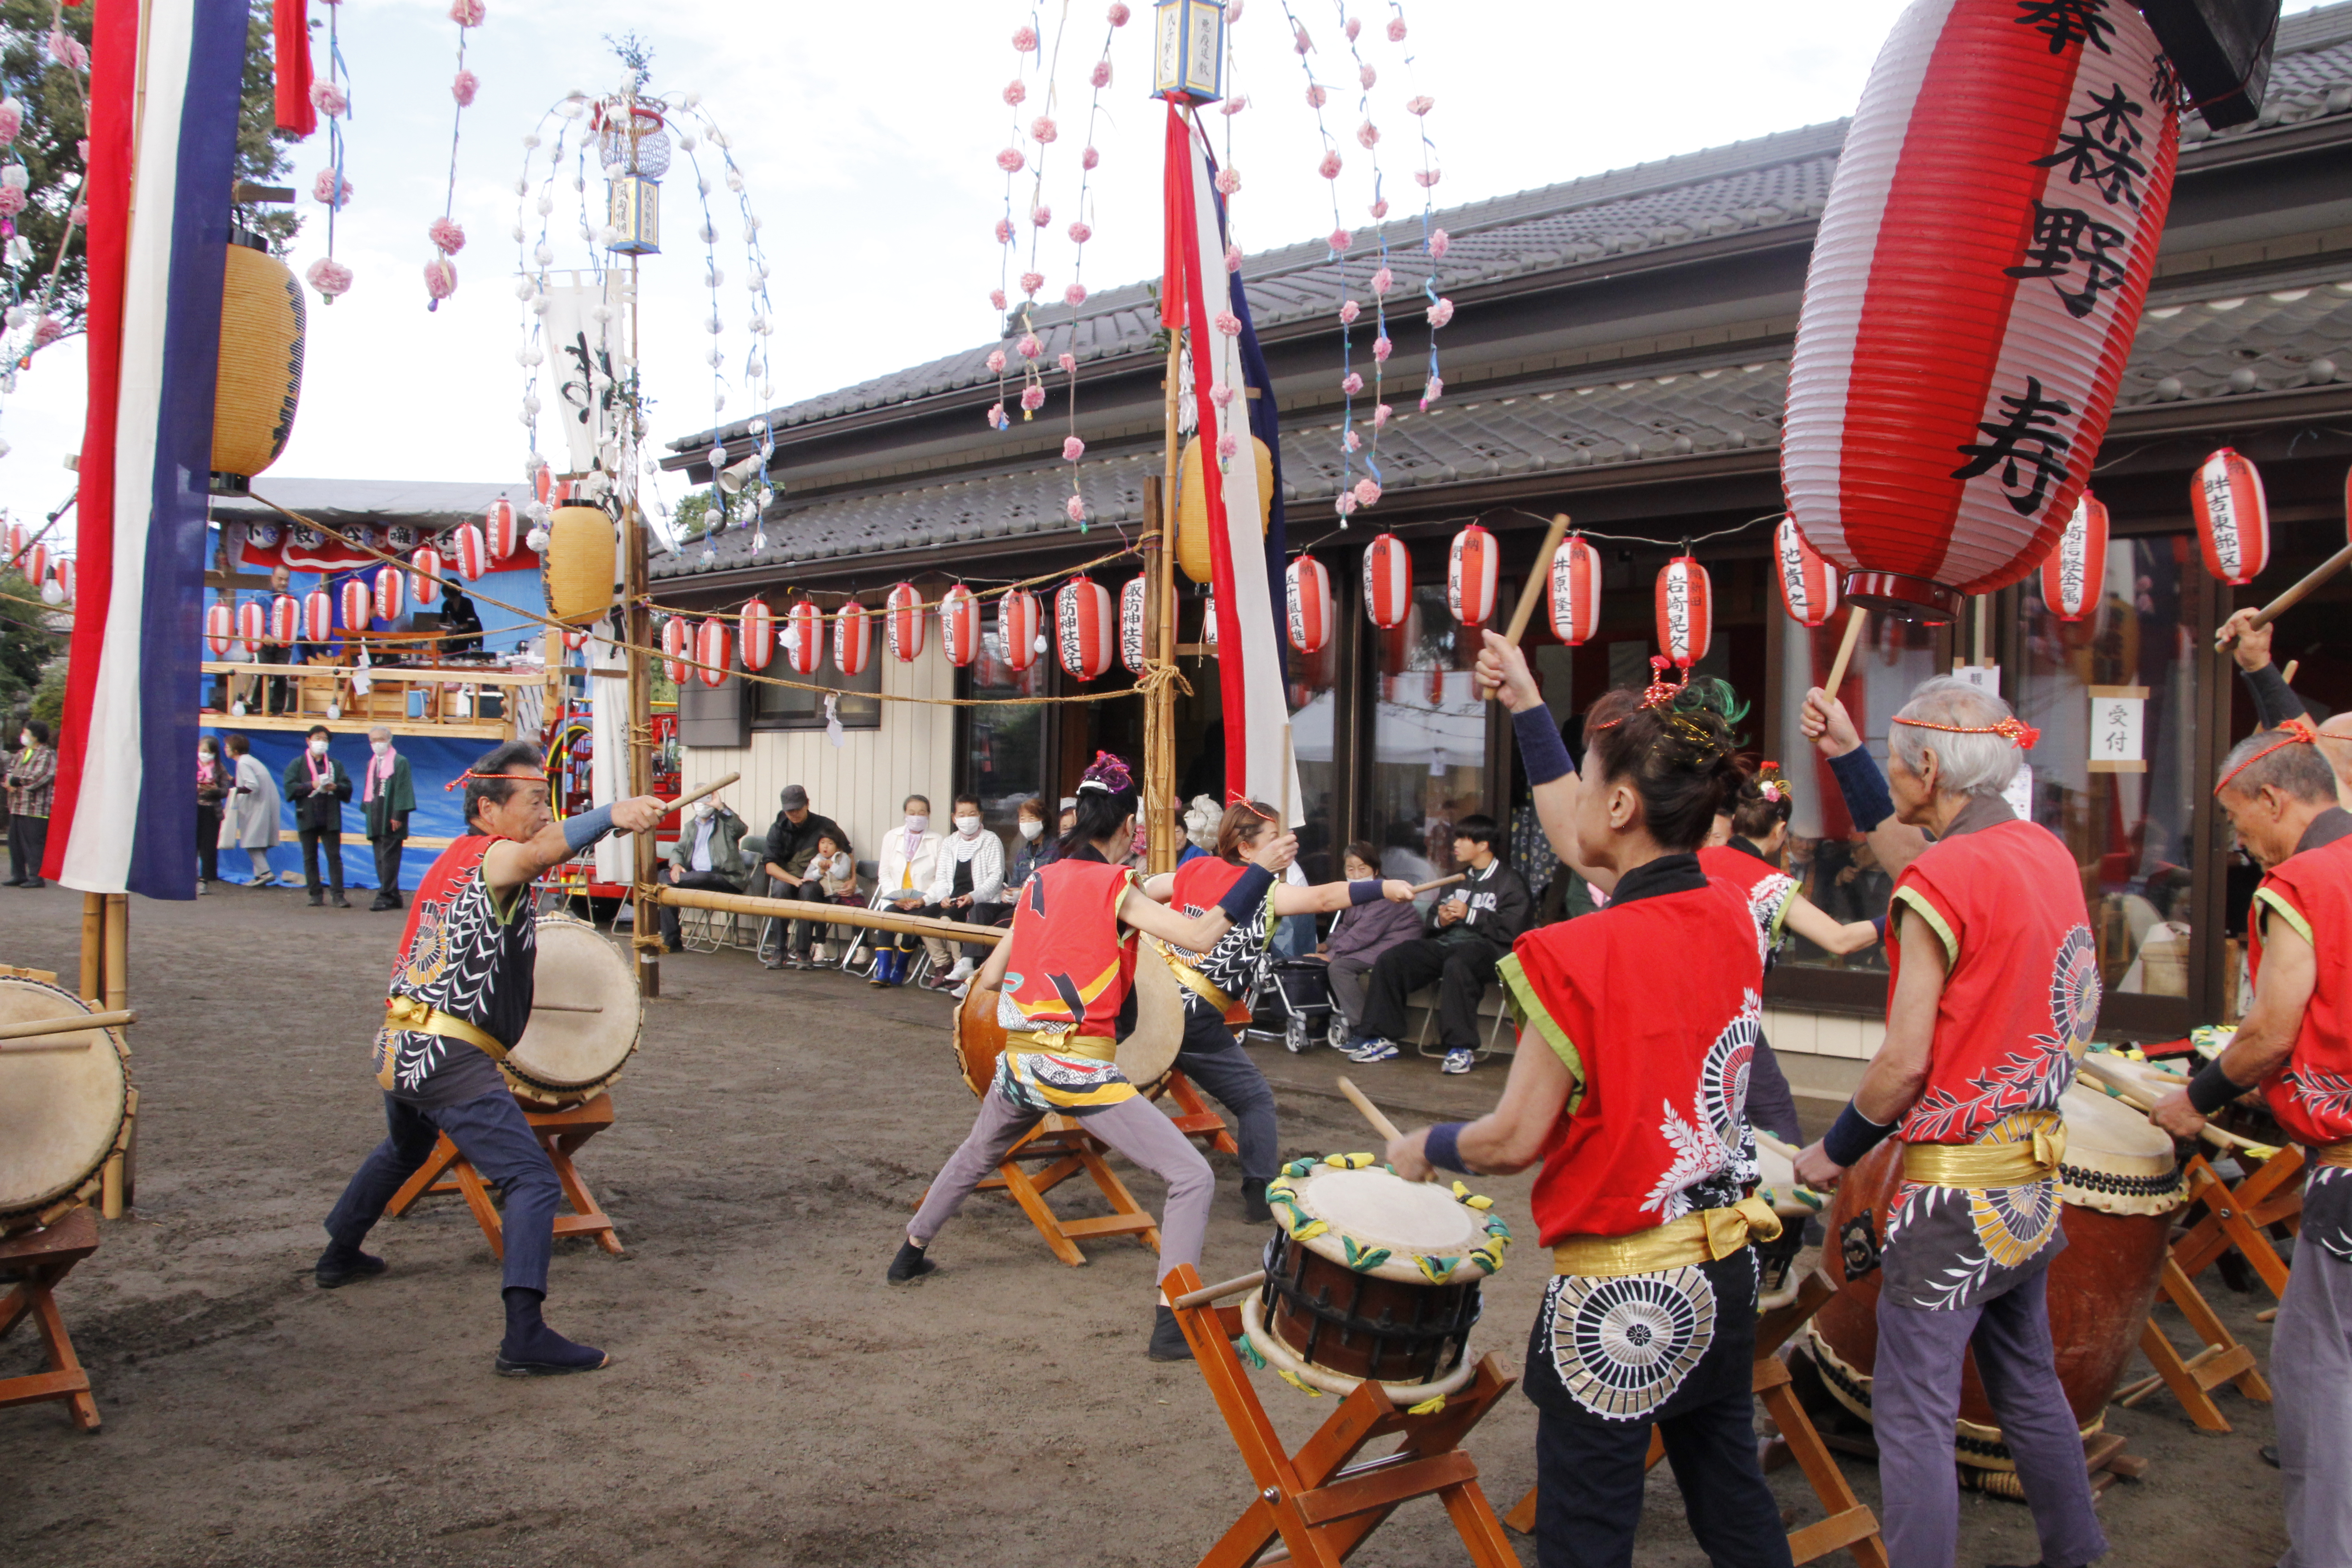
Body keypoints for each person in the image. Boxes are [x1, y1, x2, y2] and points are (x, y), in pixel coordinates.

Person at [1390, 633, 1792, 1568]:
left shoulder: (1577, 952)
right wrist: (1529, 703)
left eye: (1592, 778)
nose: (1575, 802)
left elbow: (1511, 1139)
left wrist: (1427, 1143)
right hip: (1726, 1263)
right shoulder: (1733, 913)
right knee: (1730, 1498)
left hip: (1622, 1291)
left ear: (1618, 802)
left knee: (1585, 1533)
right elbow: (1596, 847)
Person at [1788, 677, 2105, 1568]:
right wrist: (1852, 749)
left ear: (1928, 768)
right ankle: (2078, 1553)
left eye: (1895, 763)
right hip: (2032, 1177)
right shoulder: (2042, 850)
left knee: (1914, 1409)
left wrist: (1832, 1150)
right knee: (2028, 1384)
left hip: (1955, 1193)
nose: (1891, 779)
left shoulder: (1942, 876)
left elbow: (1902, 1066)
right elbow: (1909, 848)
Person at [891, 752, 1297, 1361]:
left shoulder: (1038, 881)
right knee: (1191, 1176)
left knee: (979, 1151)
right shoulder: (1116, 885)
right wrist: (1261, 872)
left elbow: (996, 977)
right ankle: (1171, 1325)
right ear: (1128, 830)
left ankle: (908, 1256)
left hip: (1021, 1061)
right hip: (1079, 1068)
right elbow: (1198, 936)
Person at [316, 740, 665, 1376]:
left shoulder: (454, 858)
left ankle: (341, 1250)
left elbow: (539, 848)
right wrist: (613, 813)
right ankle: (524, 1335)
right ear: (487, 808)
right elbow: (533, 854)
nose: (543, 811)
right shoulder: (494, 857)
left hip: (400, 1046)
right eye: (532, 800)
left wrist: (598, 823)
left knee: (405, 1149)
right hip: (448, 1056)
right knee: (531, 1180)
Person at [2152, 720, 2352, 1568]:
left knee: (2319, 1370)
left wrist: (2193, 1098)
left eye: (2239, 824)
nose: (2244, 846)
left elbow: (2270, 1031)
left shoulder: (2302, 883)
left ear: (2275, 798)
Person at [1147, 802, 1417, 1220]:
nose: (1287, 847)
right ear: (1245, 849)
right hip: (1192, 1016)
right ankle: (1259, 1193)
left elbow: (1141, 889)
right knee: (1255, 1099)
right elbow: (1326, 898)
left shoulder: (1194, 870)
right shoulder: (1264, 891)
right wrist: (1382, 888)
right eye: (1274, 840)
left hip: (1151, 1002)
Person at [1698, 765, 1880, 1145]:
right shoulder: (1771, 884)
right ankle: (1793, 1201)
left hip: (1676, 1012)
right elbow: (1842, 940)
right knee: (1775, 1114)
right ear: (1781, 831)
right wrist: (1902, 911)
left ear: (1734, 822)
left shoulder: (1693, 864)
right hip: (1729, 1020)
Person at [1345, 813, 1533, 1074]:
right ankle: (1383, 1038)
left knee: (1459, 964)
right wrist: (1441, 921)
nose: (1455, 844)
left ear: (1483, 844)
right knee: (1393, 959)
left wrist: (1471, 914)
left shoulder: (1510, 881)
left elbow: (1514, 929)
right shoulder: (1458, 878)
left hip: (1489, 950)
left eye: (1463, 839)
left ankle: (1460, 1047)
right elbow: (1433, 917)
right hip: (1447, 944)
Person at [1323, 839, 1425, 1044]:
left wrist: (1330, 955)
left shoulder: (1385, 894)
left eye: (1363, 869)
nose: (1356, 875)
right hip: (1376, 941)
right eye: (1350, 869)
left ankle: (1364, 1029)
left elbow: (1362, 933)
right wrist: (1327, 944)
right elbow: (1347, 926)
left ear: (1376, 870)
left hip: (1397, 944)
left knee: (1339, 968)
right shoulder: (1357, 893)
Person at [755, 783, 849, 969]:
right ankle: (779, 949)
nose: (794, 814)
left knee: (810, 892)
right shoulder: (778, 829)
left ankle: (803, 951)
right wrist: (795, 881)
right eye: (790, 811)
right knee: (780, 889)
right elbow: (770, 866)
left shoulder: (825, 825)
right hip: (788, 877)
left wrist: (852, 879)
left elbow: (847, 851)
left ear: (807, 804)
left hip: (816, 879)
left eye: (798, 809)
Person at [918, 795, 1005, 990]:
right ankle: (942, 964)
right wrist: (943, 897)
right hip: (953, 897)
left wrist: (974, 896)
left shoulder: (991, 840)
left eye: (972, 814)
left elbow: (996, 877)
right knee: (923, 919)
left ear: (981, 816)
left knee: (947, 921)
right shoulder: (950, 842)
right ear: (954, 818)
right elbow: (941, 877)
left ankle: (961, 966)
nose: (967, 819)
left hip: (978, 899)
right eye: (962, 814)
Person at [657, 789, 751, 952]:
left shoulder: (725, 823)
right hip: (696, 878)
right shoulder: (691, 826)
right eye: (698, 801)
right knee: (665, 884)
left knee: (692, 877)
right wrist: (677, 866)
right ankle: (671, 942)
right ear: (692, 804)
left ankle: (672, 881)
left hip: (726, 878)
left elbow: (741, 829)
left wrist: (721, 807)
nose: (703, 805)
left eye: (706, 800)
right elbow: (678, 850)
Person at [869, 794, 943, 987]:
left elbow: (941, 879)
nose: (917, 817)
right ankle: (883, 971)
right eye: (912, 813)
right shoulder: (892, 837)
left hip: (923, 901)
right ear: (905, 814)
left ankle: (900, 967)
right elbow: (884, 873)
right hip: (896, 899)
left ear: (928, 815)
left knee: (914, 922)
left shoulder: (937, 840)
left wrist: (923, 899)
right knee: (888, 919)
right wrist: (895, 897)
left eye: (922, 813)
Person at [283, 725, 354, 908]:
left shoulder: (335, 765)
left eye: (325, 739)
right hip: (307, 815)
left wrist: (336, 787)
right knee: (309, 856)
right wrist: (311, 785)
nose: (321, 743)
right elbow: (290, 788)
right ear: (308, 741)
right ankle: (315, 894)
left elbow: (347, 788)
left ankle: (338, 895)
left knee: (334, 857)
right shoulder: (298, 764)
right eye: (317, 738)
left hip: (330, 817)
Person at [361, 726, 415, 912]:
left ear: (389, 740)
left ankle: (385, 895)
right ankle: (393, 895)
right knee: (380, 858)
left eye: (381, 739)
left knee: (389, 857)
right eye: (373, 740)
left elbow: (403, 789)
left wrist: (398, 815)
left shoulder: (399, 762)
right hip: (376, 813)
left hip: (391, 816)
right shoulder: (373, 763)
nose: (377, 744)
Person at [220, 733, 285, 885]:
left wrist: (234, 790)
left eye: (228, 747)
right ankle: (259, 876)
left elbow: (252, 785)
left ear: (235, 750)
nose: (225, 749)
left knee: (251, 841)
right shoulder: (251, 761)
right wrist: (234, 781)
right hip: (267, 803)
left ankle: (265, 873)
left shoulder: (242, 763)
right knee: (259, 841)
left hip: (257, 806)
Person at [3, 717, 54, 887]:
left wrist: (17, 782)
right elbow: (10, 771)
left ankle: (36, 877)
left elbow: (41, 777)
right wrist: (9, 781)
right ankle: (19, 874)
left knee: (34, 844)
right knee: (15, 843)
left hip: (36, 809)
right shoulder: (21, 753)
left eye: (26, 732)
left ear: (35, 736)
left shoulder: (47, 754)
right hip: (17, 806)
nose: (23, 735)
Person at [999, 796, 1050, 918]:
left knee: (1003, 919)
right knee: (982, 910)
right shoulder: (1022, 852)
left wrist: (1023, 893)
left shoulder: (1055, 849)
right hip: (1019, 904)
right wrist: (1009, 893)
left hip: (1038, 907)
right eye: (1023, 819)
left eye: (1032, 818)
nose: (1027, 823)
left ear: (1043, 821)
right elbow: (1015, 883)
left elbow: (1050, 885)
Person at [196, 736, 227, 892]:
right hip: (193, 809)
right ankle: (189, 877)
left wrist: (214, 790)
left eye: (209, 752)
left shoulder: (220, 769)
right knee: (190, 845)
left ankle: (204, 880)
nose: (205, 755)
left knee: (208, 846)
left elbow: (225, 791)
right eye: (203, 751)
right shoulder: (191, 767)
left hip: (211, 812)